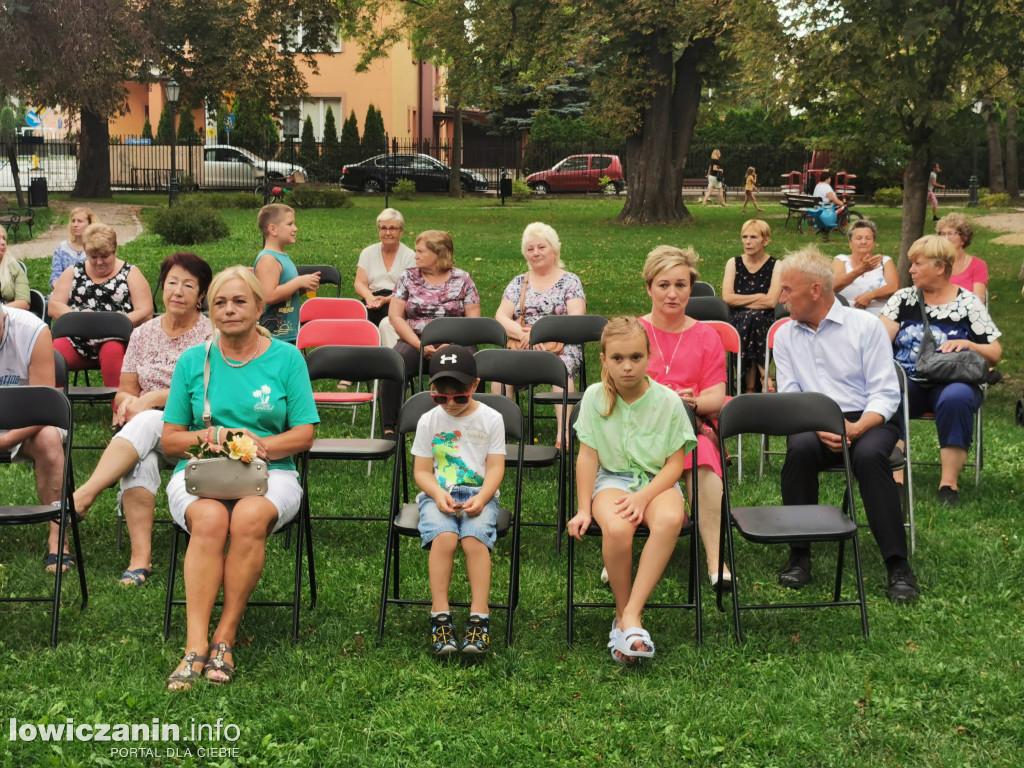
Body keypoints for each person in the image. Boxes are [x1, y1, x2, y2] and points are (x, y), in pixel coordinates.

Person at [161, 266, 318, 691]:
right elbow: (171, 441)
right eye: (220, 303)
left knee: (248, 517)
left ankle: (224, 636)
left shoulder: (286, 359)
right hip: (199, 474)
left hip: (272, 472)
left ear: (260, 306)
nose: (229, 310)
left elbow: (305, 433)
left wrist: (258, 446)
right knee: (210, 520)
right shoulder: (195, 361)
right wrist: (216, 435)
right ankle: (195, 643)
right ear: (208, 310)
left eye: (239, 301)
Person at [773, 246, 919, 602]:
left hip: (867, 420)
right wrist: (821, 424)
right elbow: (791, 395)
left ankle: (898, 565)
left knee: (870, 458)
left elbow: (886, 394)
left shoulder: (866, 326)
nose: (780, 298)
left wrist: (854, 428)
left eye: (787, 290)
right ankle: (799, 553)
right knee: (801, 448)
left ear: (815, 290)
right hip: (812, 420)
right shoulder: (785, 335)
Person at [72, 253, 214, 586]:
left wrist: (149, 400)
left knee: (151, 420)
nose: (178, 291)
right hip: (146, 432)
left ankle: (83, 496)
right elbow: (124, 391)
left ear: (201, 295)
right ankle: (140, 559)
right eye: (172, 283)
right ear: (161, 287)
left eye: (188, 285)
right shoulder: (143, 333)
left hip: (195, 432)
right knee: (143, 459)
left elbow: (204, 394)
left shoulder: (212, 336)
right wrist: (127, 403)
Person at [567, 317, 696, 663]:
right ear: (604, 359)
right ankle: (624, 613)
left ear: (649, 357)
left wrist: (644, 496)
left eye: (636, 357)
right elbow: (587, 459)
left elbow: (674, 465)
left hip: (656, 481)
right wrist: (582, 509)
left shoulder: (668, 401)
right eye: (618, 358)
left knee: (670, 520)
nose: (627, 367)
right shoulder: (595, 397)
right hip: (612, 479)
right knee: (618, 526)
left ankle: (630, 617)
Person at [880, 235, 1001, 507]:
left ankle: (949, 484)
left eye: (917, 264)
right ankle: (896, 479)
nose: (910, 270)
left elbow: (995, 352)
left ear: (939, 268)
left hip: (953, 380)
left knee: (956, 399)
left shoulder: (968, 303)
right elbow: (878, 341)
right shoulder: (903, 299)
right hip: (910, 380)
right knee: (891, 391)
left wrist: (969, 343)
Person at [639, 246, 730, 592]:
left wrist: (691, 401)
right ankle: (617, 550)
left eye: (681, 284)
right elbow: (613, 388)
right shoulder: (633, 330)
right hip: (640, 427)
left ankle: (714, 559)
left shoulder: (706, 335)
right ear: (649, 288)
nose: (673, 293)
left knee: (704, 455)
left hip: (688, 426)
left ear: (691, 288)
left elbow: (716, 397)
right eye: (663, 285)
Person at [413, 345, 506, 656]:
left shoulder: (491, 419)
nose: (450, 404)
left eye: (460, 396)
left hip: (481, 493)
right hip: (437, 493)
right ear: (432, 391)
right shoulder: (428, 420)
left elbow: (495, 467)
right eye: (441, 397)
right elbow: (422, 472)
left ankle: (479, 616)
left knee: (474, 541)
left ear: (475, 386)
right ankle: (440, 614)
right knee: (445, 538)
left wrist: (484, 495)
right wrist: (437, 493)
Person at [380, 230, 481, 436]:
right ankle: (390, 428)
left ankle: (474, 423)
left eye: (420, 251)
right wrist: (419, 345)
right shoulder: (408, 277)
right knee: (393, 365)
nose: (415, 255)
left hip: (458, 340)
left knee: (474, 363)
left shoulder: (463, 279)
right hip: (415, 339)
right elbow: (395, 316)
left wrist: (454, 345)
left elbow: (473, 320)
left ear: (439, 254)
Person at [495, 222, 586, 445]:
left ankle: (563, 433)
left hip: (561, 345)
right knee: (497, 371)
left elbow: (576, 320)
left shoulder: (570, 281)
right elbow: (501, 317)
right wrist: (526, 336)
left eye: (541, 247)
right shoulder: (518, 282)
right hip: (523, 344)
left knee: (560, 370)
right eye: (530, 248)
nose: (535, 253)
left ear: (555, 250)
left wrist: (542, 336)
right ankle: (502, 430)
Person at [0, 304, 69, 572]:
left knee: (49, 438)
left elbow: (43, 408)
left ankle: (58, 539)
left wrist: (6, 441)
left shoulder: (32, 331)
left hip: (32, 422)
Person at [49, 223, 153, 388]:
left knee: (112, 351)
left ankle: (120, 408)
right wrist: (77, 319)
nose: (98, 262)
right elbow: (54, 305)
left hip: (116, 339)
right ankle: (52, 406)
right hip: (78, 340)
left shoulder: (130, 273)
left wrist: (113, 322)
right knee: (50, 355)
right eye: (92, 256)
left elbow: (146, 311)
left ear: (115, 250)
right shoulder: (73, 271)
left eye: (105, 256)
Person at [721, 220, 781, 393]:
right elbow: (727, 297)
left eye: (753, 237)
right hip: (737, 318)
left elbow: (771, 302)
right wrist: (758, 296)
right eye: (744, 237)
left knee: (755, 319)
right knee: (752, 319)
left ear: (766, 240)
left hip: (765, 320)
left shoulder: (777, 265)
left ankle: (748, 387)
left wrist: (742, 299)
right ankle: (765, 378)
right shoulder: (733, 263)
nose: (747, 241)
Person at [253, 204, 320, 344]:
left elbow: (284, 291)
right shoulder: (268, 259)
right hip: (273, 336)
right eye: (290, 224)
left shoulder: (282, 256)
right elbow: (269, 295)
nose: (295, 228)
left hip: (288, 333)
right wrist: (298, 282)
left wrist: (301, 288)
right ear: (273, 229)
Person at [354, 208, 416, 327]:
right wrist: (370, 298)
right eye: (383, 228)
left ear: (401, 232)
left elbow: (410, 289)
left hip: (397, 301)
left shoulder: (410, 256)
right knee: (355, 315)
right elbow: (359, 283)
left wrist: (386, 300)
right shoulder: (367, 253)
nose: (388, 233)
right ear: (379, 230)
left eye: (393, 228)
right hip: (372, 299)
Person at [832, 219, 898, 316]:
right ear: (850, 243)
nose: (863, 242)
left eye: (868, 238)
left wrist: (870, 296)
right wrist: (861, 269)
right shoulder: (841, 260)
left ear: (874, 243)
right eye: (859, 238)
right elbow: (832, 286)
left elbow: (893, 287)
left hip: (880, 316)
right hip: (848, 315)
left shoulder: (885, 261)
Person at [936, 213, 988, 302]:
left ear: (963, 238)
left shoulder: (978, 265)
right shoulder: (935, 263)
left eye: (951, 234)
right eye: (943, 234)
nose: (946, 238)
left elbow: (979, 299)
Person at [49, 206, 96, 289]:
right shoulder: (62, 248)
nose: (75, 225)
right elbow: (55, 277)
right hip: (63, 292)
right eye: (73, 221)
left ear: (90, 224)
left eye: (80, 221)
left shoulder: (95, 249)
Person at [0, 225, 30, 310]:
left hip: (8, 317)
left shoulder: (14, 267)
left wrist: (1, 311)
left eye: (4, 238)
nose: (3, 242)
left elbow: (24, 303)